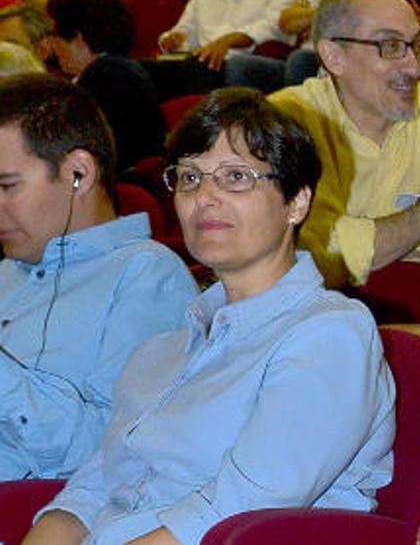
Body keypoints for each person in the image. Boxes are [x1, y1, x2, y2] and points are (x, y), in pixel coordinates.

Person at [24, 87, 396, 544]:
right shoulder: (161, 351)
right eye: (190, 178)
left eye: (236, 176)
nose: (206, 197)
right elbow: (93, 487)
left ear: (297, 202)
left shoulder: (329, 334)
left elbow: (244, 506)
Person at [0, 74, 196, 481]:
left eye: (7, 186)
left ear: (79, 173)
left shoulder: (147, 276)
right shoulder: (7, 272)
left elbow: (110, 452)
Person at [269, 0, 420, 288]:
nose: (415, 67)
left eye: (417, 45)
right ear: (334, 56)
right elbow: (314, 252)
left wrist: (374, 246)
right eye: (391, 46)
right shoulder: (290, 118)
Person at [46, 0, 166, 172]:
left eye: (54, 35)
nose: (52, 46)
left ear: (78, 38)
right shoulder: (120, 70)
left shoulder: (104, 78)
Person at [146, 0, 296, 97]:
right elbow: (184, 33)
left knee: (200, 65)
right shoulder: (201, 0)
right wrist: (171, 40)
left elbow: (277, 27)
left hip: (239, 59)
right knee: (144, 70)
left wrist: (232, 40)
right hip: (197, 60)